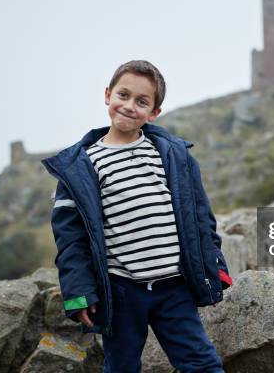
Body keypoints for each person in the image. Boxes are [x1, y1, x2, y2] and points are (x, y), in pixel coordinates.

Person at [41, 60, 232, 372]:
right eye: (123, 95)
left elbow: (201, 218)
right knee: (121, 367)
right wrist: (78, 296)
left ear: (154, 112)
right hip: (121, 292)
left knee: (201, 362)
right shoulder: (79, 168)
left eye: (142, 101)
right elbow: (70, 240)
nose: (129, 106)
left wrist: (216, 267)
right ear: (107, 95)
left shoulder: (173, 155)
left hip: (175, 287)